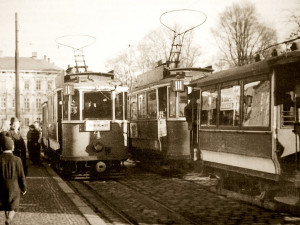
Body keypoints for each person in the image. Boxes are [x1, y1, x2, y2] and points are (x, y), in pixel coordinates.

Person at [0, 134, 27, 225]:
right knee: (14, 206)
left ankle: (7, 217)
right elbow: (21, 175)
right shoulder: (17, 160)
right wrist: (24, 188)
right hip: (14, 188)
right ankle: (9, 219)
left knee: (5, 203)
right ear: (11, 147)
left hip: (2, 187)